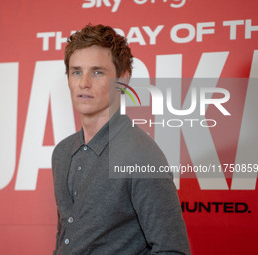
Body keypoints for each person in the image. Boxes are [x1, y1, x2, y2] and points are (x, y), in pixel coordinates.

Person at [52, 24, 191, 255]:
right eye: (76, 71)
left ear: (123, 80)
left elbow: (173, 250)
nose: (83, 82)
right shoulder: (62, 152)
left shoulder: (141, 155)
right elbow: (66, 236)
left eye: (97, 72)